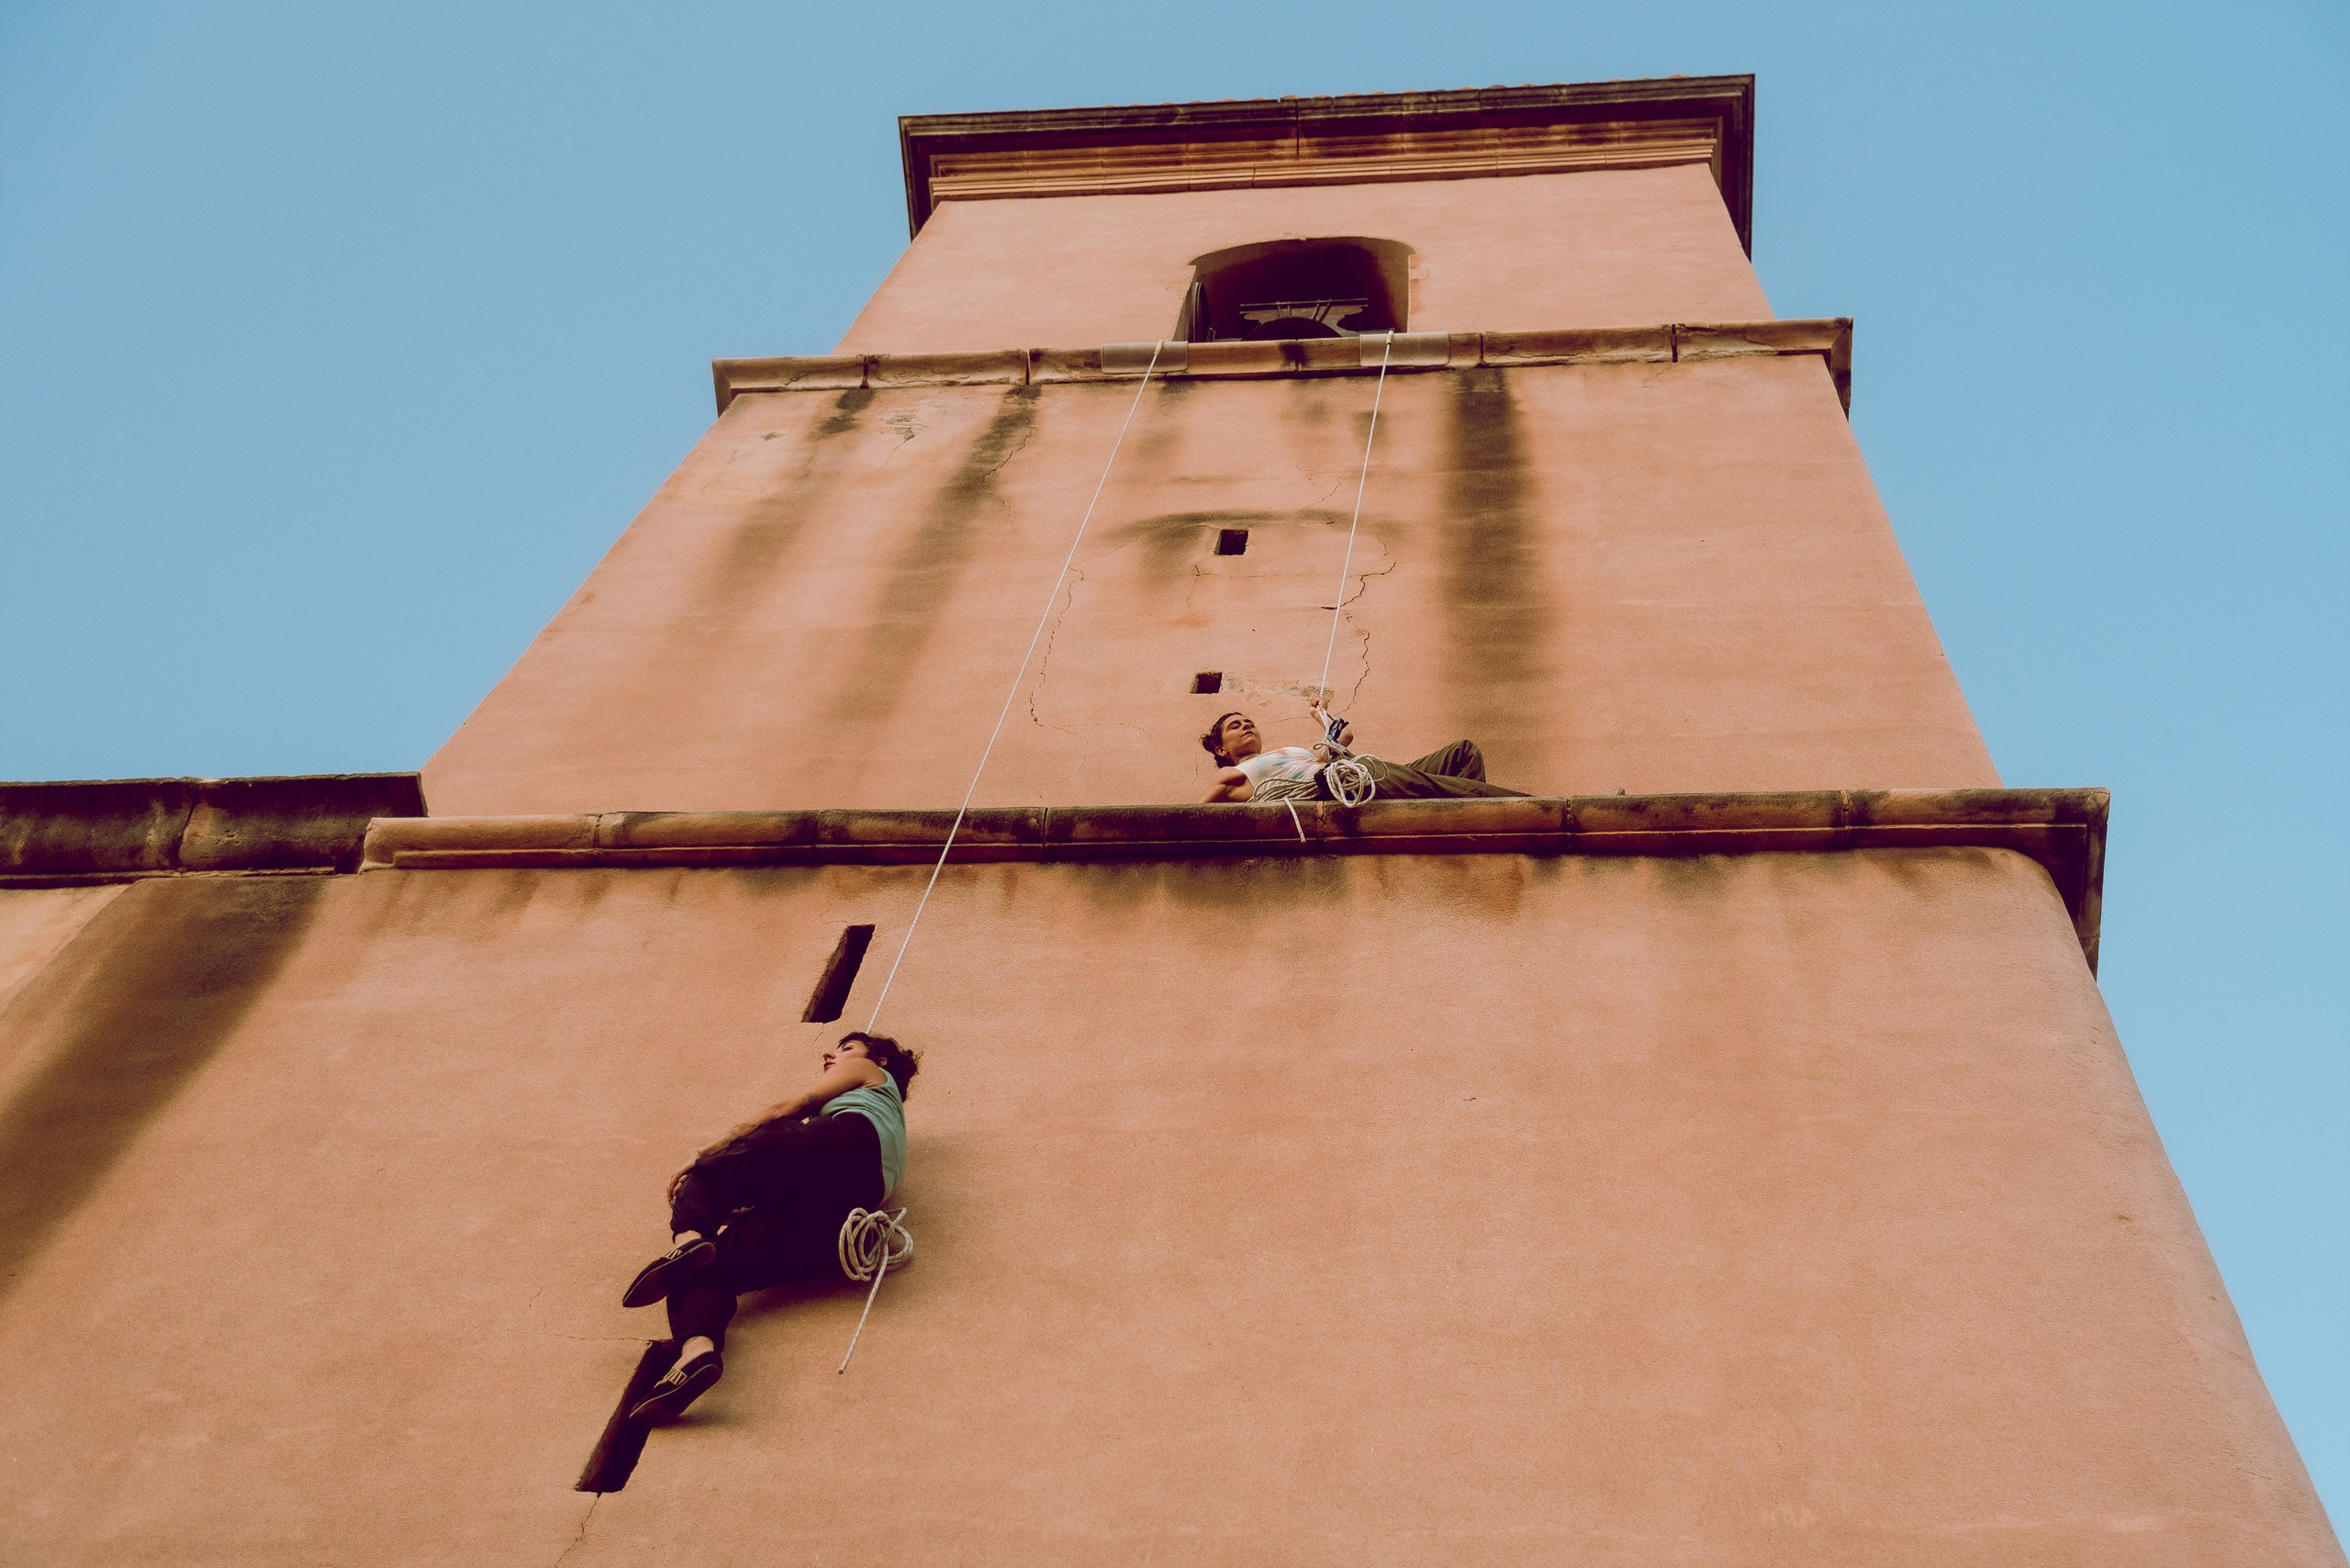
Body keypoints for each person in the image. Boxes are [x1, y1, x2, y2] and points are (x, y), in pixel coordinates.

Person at [620, 1030, 920, 1423]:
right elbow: (810, 1181)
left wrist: (708, 1152)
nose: (832, 1054)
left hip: (847, 1149)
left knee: (710, 1171)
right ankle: (696, 1353)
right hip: (841, 1214)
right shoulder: (889, 1127)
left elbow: (789, 1107)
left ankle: (689, 1240)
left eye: (846, 1048)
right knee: (707, 1276)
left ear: (878, 1062)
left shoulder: (867, 1075)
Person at [1200, 699, 1524, 802]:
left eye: (1249, 722)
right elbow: (1199, 815)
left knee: (1463, 753)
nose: (1246, 726)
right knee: (1432, 787)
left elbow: (1343, 739)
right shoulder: (1233, 772)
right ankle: (1520, 806)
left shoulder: (1290, 752)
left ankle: (1471, 816)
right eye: (1235, 726)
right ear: (1221, 749)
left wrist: (1321, 714)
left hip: (1352, 770)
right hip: (1341, 784)